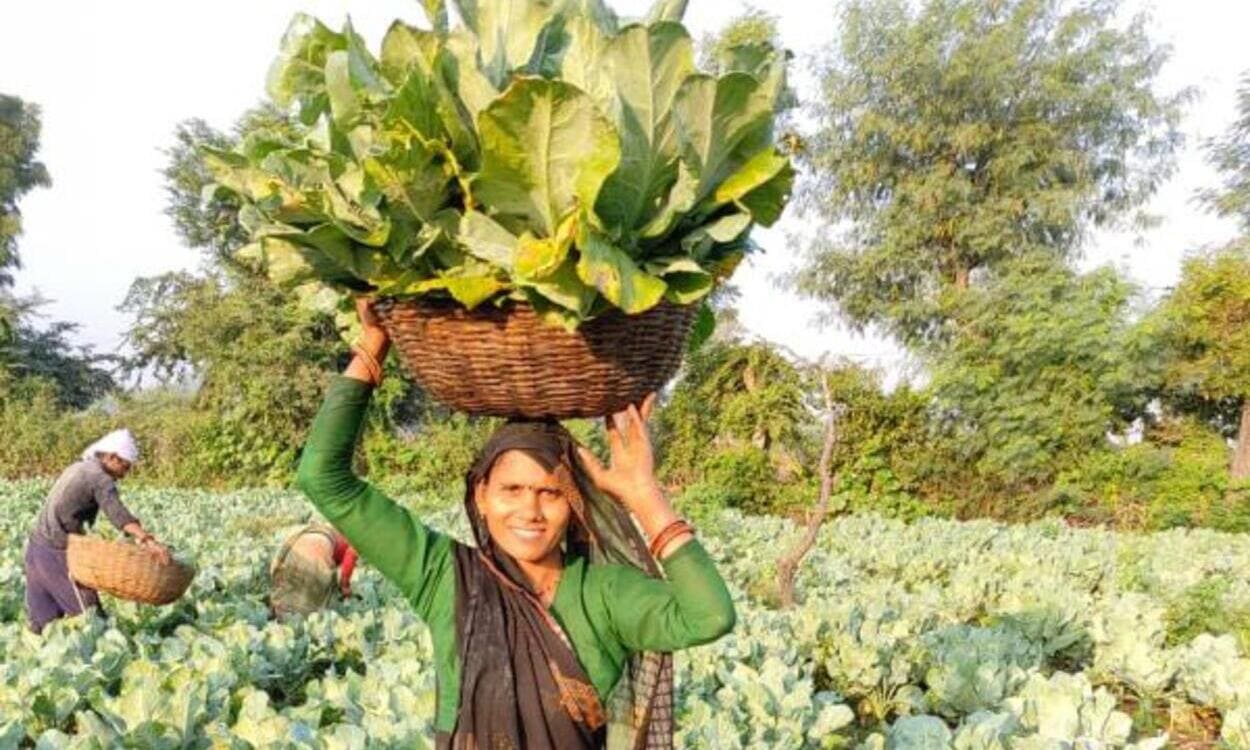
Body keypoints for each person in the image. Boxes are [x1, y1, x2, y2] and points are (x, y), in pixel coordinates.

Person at [295, 298, 736, 750]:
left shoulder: (601, 595)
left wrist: (643, 493)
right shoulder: (444, 576)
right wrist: (376, 340)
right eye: (511, 490)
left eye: (550, 493)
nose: (530, 511)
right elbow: (322, 478)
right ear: (480, 496)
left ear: (575, 505)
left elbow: (710, 616)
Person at [24, 429, 171, 634]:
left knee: (42, 626)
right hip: (58, 554)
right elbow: (118, 513)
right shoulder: (100, 478)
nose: (125, 473)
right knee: (93, 621)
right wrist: (146, 539)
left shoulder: (79, 467)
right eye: (125, 466)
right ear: (112, 457)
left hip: (35, 549)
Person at [268, 522, 359, 618]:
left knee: (288, 587)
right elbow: (350, 557)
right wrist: (345, 587)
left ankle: (277, 615)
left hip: (296, 543)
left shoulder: (330, 526)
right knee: (313, 599)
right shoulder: (355, 538)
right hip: (319, 546)